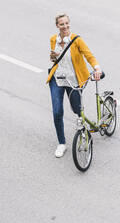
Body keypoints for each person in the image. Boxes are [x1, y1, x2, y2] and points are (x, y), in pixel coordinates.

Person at [46, 13, 102, 158]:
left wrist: (96, 68)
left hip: (75, 80)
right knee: (57, 112)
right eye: (61, 24)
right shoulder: (54, 39)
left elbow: (89, 56)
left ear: (69, 24)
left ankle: (83, 132)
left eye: (66, 23)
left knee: (77, 109)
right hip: (58, 79)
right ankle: (62, 143)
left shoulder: (77, 40)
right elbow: (55, 59)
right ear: (57, 26)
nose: (64, 26)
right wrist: (53, 57)